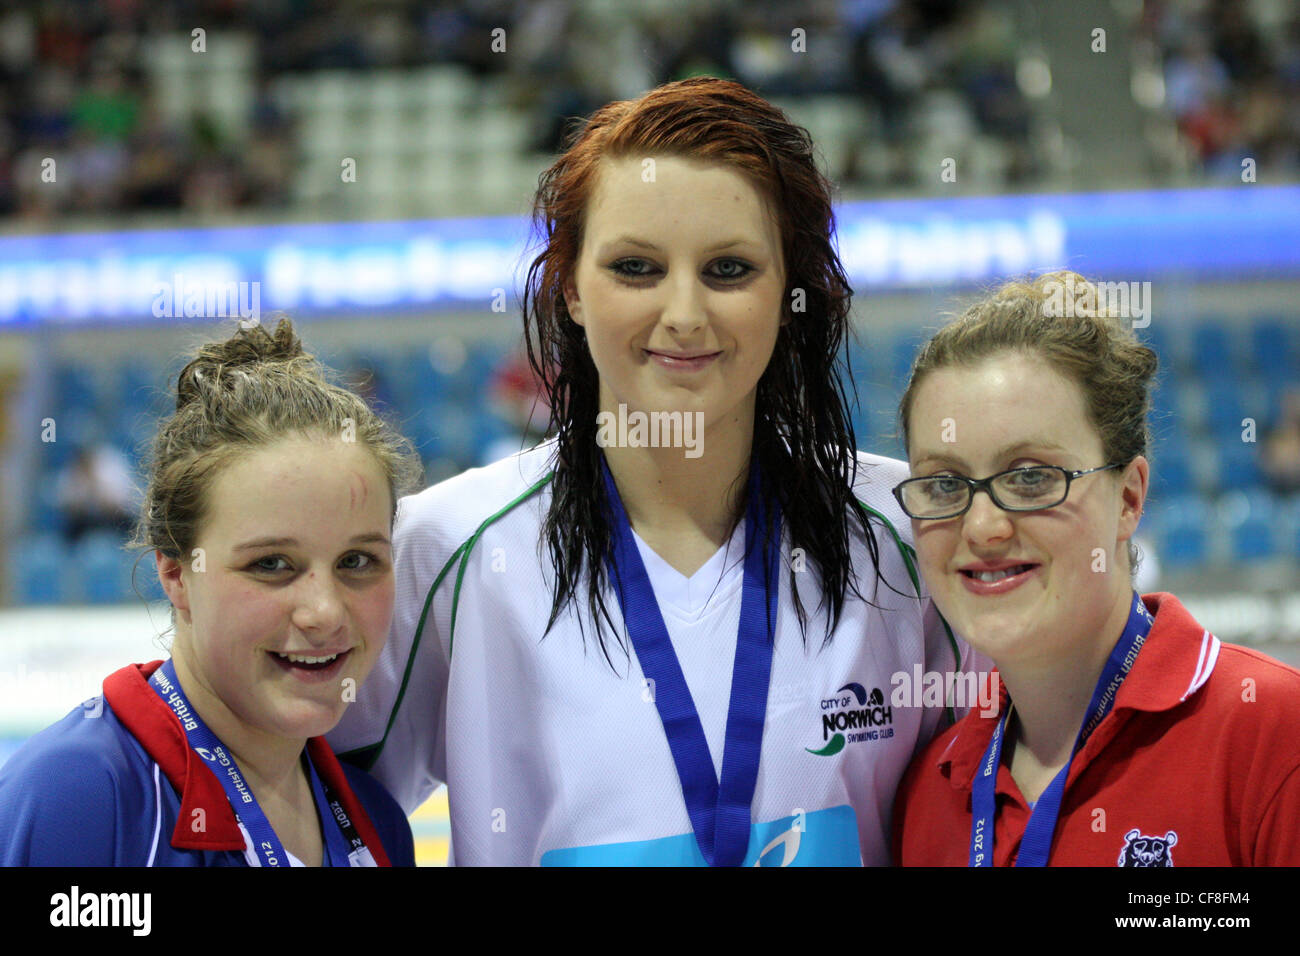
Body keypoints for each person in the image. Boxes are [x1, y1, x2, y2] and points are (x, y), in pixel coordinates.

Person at [327, 76, 985, 866]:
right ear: (569, 286)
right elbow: (307, 810)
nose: (683, 314)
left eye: (729, 270)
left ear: (790, 292)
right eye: (636, 268)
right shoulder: (447, 551)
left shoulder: (913, 537)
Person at [890, 272, 1300, 866]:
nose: (982, 528)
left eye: (1030, 476)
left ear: (1128, 500)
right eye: (946, 483)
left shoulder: (1271, 735)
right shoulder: (933, 787)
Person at [0, 318, 422, 866]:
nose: (324, 611)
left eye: (357, 561)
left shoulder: (377, 824)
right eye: (272, 564)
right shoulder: (78, 800)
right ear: (176, 573)